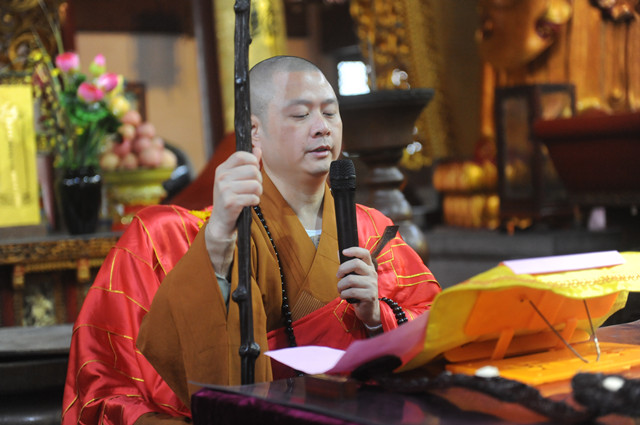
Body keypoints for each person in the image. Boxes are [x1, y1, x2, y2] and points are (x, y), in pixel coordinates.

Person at [62, 55, 441, 425]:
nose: (322, 127)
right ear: (253, 131)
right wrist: (218, 242)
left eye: (330, 112)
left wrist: (377, 318)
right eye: (300, 114)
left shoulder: (371, 228)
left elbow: (438, 327)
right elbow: (116, 377)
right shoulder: (172, 237)